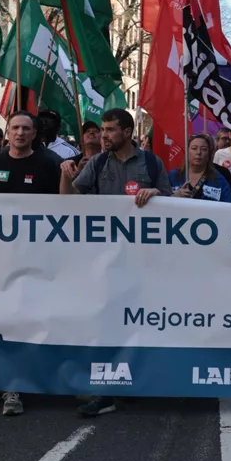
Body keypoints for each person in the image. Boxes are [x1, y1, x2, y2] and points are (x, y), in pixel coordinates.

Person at [60, 107, 170, 419]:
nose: (103, 135)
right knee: (107, 322)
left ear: (127, 132)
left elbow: (172, 203)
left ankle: (131, 380)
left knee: (137, 321)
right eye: (103, 129)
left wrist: (156, 194)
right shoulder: (97, 163)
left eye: (110, 130)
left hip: (142, 259)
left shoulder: (151, 163)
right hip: (104, 259)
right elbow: (68, 201)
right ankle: (105, 390)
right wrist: (65, 176)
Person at [0, 110, 61, 416]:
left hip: (34, 259)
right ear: (8, 133)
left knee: (24, 321)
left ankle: (16, 384)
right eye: (15, 128)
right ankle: (3, 378)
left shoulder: (48, 164)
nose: (20, 133)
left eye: (25, 129)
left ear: (34, 134)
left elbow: (64, 207)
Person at [170, 134, 231, 203]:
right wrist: (174, 197)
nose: (198, 152)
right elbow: (163, 201)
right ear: (187, 152)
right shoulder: (173, 176)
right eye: (194, 148)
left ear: (209, 154)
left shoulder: (219, 181)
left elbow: (230, 206)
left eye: (203, 149)